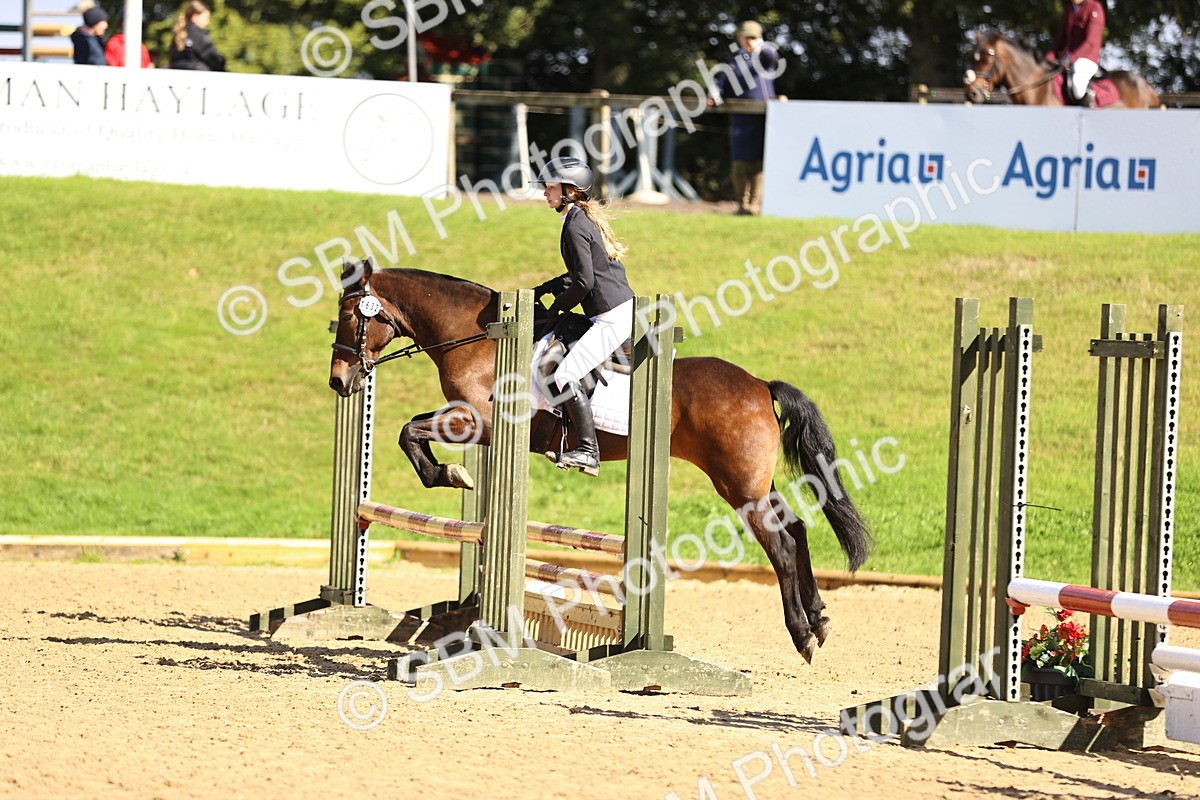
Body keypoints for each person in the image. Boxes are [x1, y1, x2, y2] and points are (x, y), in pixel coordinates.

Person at [530, 156, 636, 476]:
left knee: (564, 376)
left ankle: (588, 451)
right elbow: (579, 274)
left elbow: (584, 283)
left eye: (550, 187)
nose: (545, 193)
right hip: (612, 311)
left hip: (612, 317)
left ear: (570, 191)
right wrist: (545, 288)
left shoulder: (576, 224)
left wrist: (557, 306)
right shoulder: (577, 219)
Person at [707, 20, 778, 215]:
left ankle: (755, 205)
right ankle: (742, 204)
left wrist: (760, 47)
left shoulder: (765, 58)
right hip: (740, 121)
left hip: (762, 120)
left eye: (754, 38)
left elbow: (772, 56)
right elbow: (720, 85)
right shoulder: (733, 63)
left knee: (758, 165)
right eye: (747, 38)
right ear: (740, 39)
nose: (750, 42)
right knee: (739, 164)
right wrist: (715, 95)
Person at [1047, 0, 1105, 107]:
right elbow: (1060, 41)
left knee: (1078, 87)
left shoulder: (1094, 8)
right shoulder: (1069, 10)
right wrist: (1047, 58)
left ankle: (1088, 110)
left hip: (1086, 59)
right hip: (1066, 60)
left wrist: (1072, 58)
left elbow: (1091, 42)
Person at [169, 1, 226, 71]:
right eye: (206, 18)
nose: (208, 22)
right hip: (199, 78)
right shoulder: (199, 36)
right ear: (195, 17)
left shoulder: (178, 34)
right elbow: (214, 61)